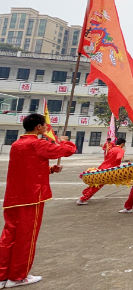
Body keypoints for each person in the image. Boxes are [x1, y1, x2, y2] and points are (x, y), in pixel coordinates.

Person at [0, 113, 76, 288]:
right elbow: (68, 150)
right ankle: (18, 276)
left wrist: (49, 170)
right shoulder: (37, 143)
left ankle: (3, 274)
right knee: (26, 238)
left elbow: (26, 167)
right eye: (44, 125)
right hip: (31, 198)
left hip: (13, 197)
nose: (46, 128)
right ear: (38, 127)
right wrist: (64, 141)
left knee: (8, 236)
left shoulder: (16, 144)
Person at [77, 138, 126, 205]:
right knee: (98, 185)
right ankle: (82, 199)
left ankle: (85, 192)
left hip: (103, 167)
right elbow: (119, 158)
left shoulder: (112, 149)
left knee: (96, 183)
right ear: (122, 144)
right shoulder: (120, 150)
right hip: (109, 170)